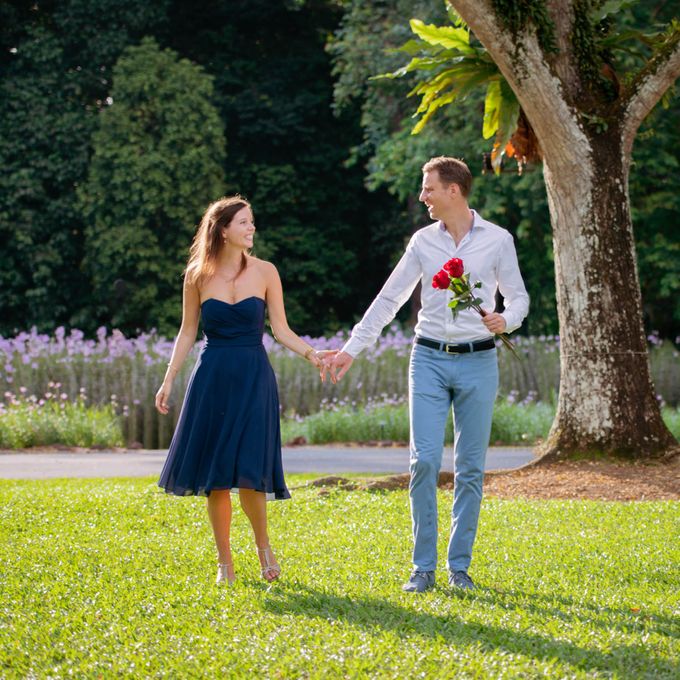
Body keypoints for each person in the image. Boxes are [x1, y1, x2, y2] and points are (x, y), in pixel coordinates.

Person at [330, 157, 529, 593]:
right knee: (423, 460)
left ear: (453, 190)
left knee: (471, 468)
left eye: (428, 189)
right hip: (429, 360)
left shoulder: (497, 240)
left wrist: (505, 320)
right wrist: (351, 349)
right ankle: (423, 568)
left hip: (479, 361)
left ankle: (459, 568)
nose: (423, 197)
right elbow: (389, 299)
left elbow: (518, 298)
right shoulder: (422, 241)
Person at [155, 195, 333, 585]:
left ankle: (264, 548)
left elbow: (280, 329)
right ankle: (224, 563)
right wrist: (169, 379)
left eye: (252, 222)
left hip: (254, 377)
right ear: (222, 229)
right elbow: (187, 331)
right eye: (244, 223)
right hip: (212, 378)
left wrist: (312, 354)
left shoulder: (267, 271)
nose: (252, 228)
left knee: (252, 469)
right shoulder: (196, 275)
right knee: (217, 475)